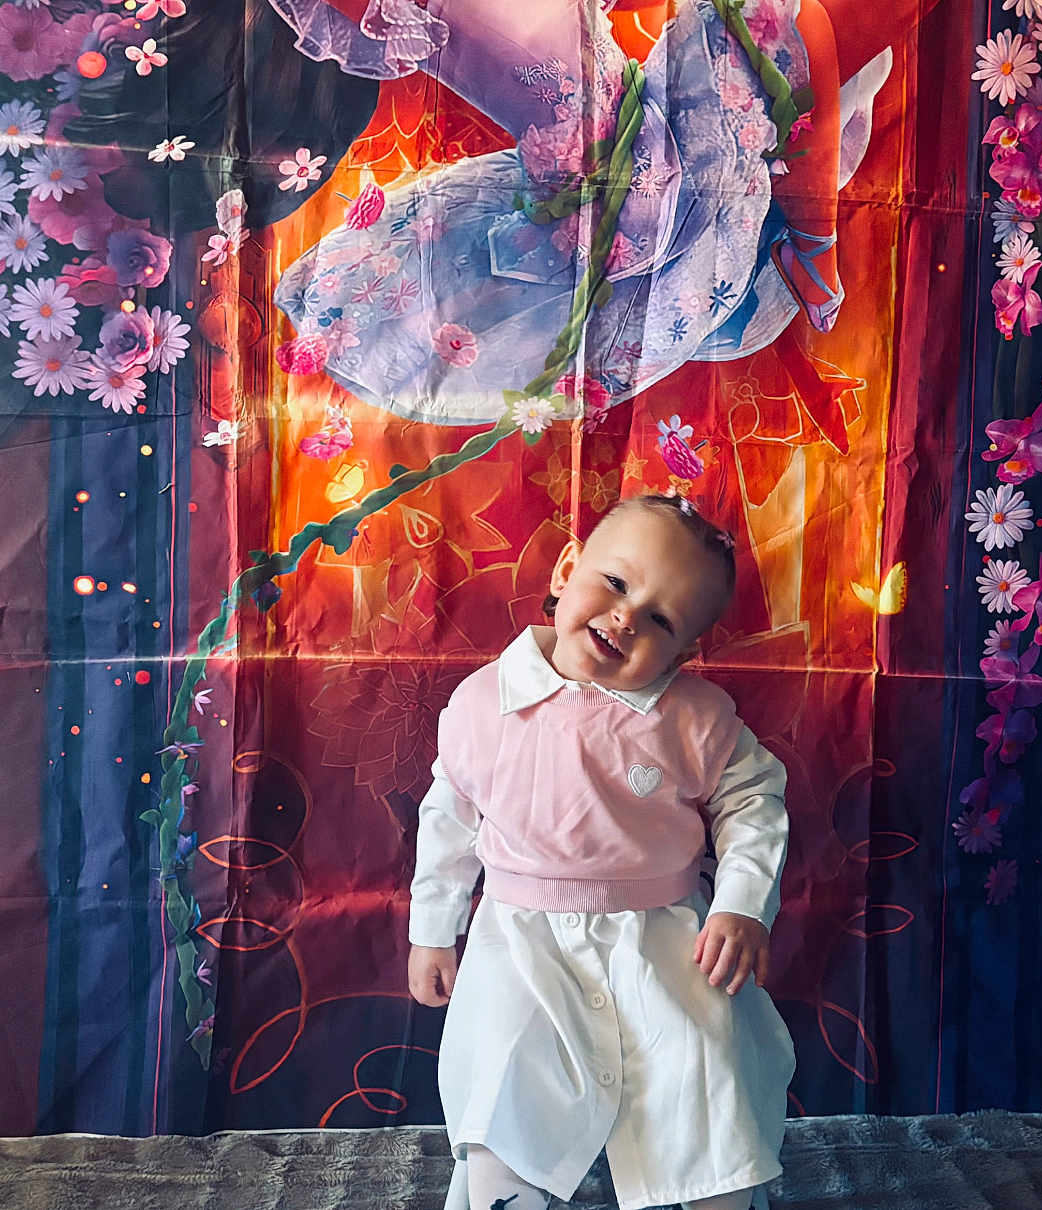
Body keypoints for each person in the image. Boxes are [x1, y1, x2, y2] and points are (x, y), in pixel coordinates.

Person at [407, 491, 795, 1210]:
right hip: (520, 944)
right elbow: (450, 817)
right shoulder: (481, 703)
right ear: (565, 568)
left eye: (660, 619)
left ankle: (714, 1193)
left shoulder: (697, 719)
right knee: (507, 1084)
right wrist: (433, 929)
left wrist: (744, 905)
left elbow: (753, 803)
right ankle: (503, 1192)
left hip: (664, 941)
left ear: (685, 651)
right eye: (616, 585)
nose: (625, 617)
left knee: (698, 1080)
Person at [269, 0, 905, 426]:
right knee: (769, 44)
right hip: (631, 184)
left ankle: (801, 237)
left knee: (771, 45)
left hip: (636, 172)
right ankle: (805, 240)